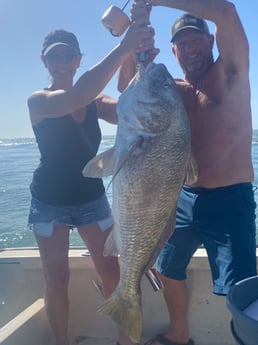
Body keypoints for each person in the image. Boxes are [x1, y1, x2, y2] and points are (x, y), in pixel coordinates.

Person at [119, 1, 257, 345]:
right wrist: (134, 35)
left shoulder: (232, 70)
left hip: (230, 198)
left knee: (241, 289)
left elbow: (225, 11)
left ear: (211, 41)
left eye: (197, 40)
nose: (191, 49)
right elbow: (127, 89)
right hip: (181, 198)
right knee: (167, 268)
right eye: (184, 43)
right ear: (174, 51)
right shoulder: (173, 91)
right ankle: (179, 334)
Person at [27, 23, 154, 345]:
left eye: (68, 56)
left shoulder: (97, 102)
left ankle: (124, 341)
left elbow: (129, 107)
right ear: (45, 62)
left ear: (77, 59)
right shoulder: (38, 101)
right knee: (57, 278)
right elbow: (75, 97)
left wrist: (137, 60)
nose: (61, 62)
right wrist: (125, 46)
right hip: (49, 200)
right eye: (54, 57)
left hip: (91, 198)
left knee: (113, 271)